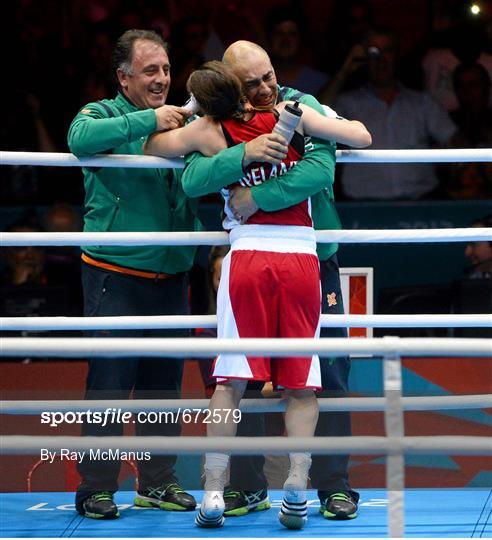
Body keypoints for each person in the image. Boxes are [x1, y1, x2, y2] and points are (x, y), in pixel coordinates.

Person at [146, 45, 370, 525]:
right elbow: (361, 136)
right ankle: (294, 484)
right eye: (254, 83)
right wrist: (245, 152)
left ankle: (214, 490)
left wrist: (188, 116)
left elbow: (156, 149)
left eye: (269, 77)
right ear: (233, 84)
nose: (267, 88)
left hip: (249, 258)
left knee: (232, 379)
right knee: (303, 384)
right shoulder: (294, 115)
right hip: (298, 258)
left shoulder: (219, 126)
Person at [67, 29, 199, 520]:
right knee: (109, 383)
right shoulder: (102, 113)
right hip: (114, 272)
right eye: (150, 71)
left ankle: (158, 481)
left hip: (172, 273)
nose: (162, 79)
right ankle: (96, 488)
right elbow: (78, 140)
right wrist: (148, 119)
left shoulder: (185, 119)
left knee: (163, 386)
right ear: (123, 77)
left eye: (166, 69)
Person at [334, 28, 457, 200]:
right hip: (362, 208)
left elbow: (455, 142)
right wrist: (345, 70)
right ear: (364, 58)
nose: (381, 59)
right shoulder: (346, 103)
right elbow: (311, 115)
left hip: (422, 204)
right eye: (374, 52)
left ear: (397, 55)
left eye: (388, 51)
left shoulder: (423, 103)